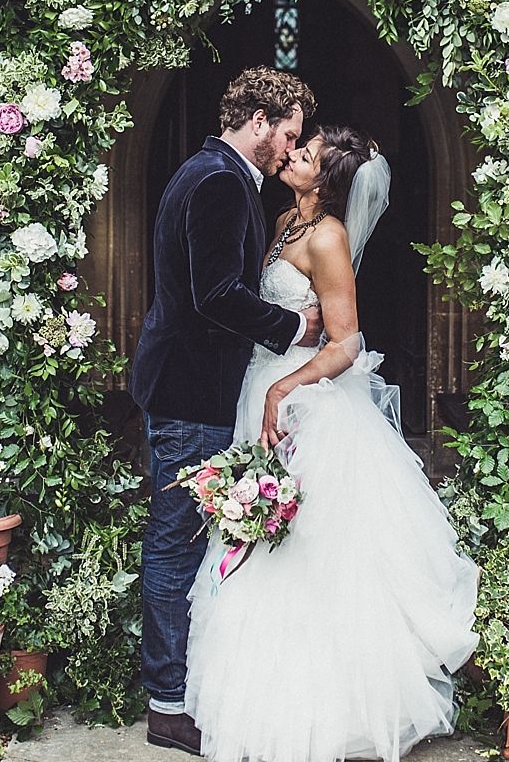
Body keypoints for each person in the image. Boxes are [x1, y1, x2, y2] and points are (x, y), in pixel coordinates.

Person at [185, 125, 480, 762]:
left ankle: (324, 711)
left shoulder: (329, 237)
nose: (291, 154)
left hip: (307, 406)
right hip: (264, 387)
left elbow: (346, 344)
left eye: (306, 154)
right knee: (258, 543)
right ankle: (258, 691)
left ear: (327, 180)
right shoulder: (287, 218)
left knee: (310, 550)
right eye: (299, 147)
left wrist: (282, 388)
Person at [130, 67, 323, 755]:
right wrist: (293, 329)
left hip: (195, 390)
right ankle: (167, 703)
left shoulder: (216, 172)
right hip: (190, 393)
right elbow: (215, 295)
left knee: (186, 538)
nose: (289, 152)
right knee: (177, 542)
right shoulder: (219, 182)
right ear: (261, 121)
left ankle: (183, 687)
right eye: (288, 136)